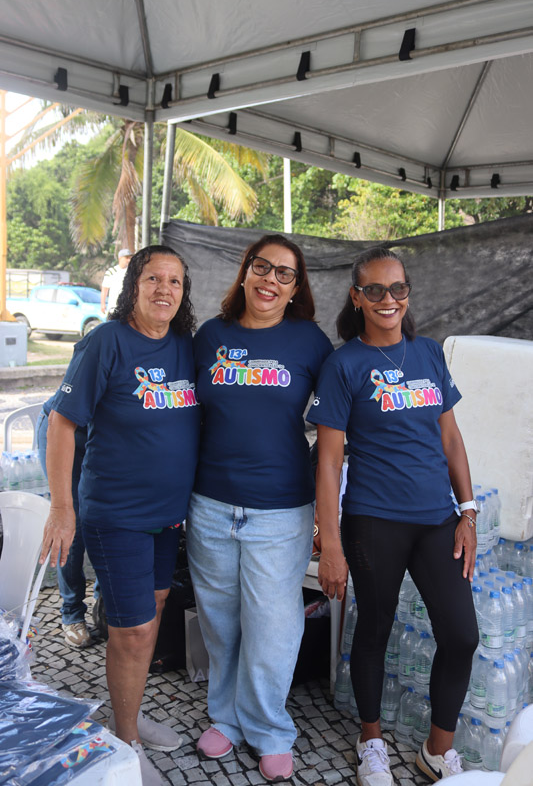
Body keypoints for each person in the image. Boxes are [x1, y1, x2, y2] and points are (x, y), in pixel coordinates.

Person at [307, 246, 479, 784]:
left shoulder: (428, 353)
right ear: (357, 297)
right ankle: (372, 741)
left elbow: (449, 436)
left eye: (398, 289)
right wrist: (329, 540)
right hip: (374, 520)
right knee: (374, 630)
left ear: (408, 294)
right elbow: (329, 460)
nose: (389, 299)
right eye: (376, 290)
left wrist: (468, 510)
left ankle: (436, 750)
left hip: (437, 520)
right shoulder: (344, 364)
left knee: (462, 634)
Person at [39, 244, 201, 786]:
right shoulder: (104, 342)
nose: (165, 289)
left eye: (175, 281)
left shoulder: (184, 347)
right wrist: (62, 507)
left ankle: (125, 712)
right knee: (131, 632)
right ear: (134, 285)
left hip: (166, 517)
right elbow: (63, 423)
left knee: (150, 615)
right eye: (154, 278)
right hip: (116, 512)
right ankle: (124, 744)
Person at [187, 234, 333, 782]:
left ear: (296, 288)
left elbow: (336, 425)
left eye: (285, 274)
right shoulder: (210, 337)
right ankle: (225, 717)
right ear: (245, 272)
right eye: (262, 267)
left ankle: (269, 728)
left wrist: (328, 508)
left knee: (273, 625)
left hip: (280, 509)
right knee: (221, 621)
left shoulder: (310, 342)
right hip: (210, 503)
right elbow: (184, 414)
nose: (271, 280)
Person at [36, 400, 99, 648]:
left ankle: (103, 604)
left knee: (107, 522)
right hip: (64, 428)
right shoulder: (96, 359)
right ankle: (72, 613)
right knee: (71, 526)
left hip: (106, 437)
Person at [101, 248, 133, 317]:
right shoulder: (111, 272)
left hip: (127, 309)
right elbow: (105, 289)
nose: (129, 260)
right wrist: (103, 303)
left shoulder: (132, 273)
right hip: (113, 309)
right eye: (126, 258)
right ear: (120, 258)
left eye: (130, 258)